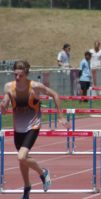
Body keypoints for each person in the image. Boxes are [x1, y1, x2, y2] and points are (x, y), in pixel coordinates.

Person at [0, 60, 70, 199]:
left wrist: (60, 115)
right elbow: (6, 102)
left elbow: (55, 94)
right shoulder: (9, 86)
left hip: (33, 126)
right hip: (18, 128)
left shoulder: (35, 87)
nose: (17, 78)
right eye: (15, 75)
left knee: (21, 156)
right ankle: (27, 187)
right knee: (22, 160)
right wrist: (3, 105)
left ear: (26, 74)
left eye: (20, 75)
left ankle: (43, 172)